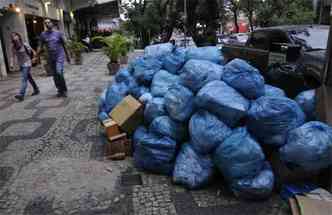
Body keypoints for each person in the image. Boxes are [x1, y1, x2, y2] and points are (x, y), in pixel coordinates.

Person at [35, 19, 70, 97]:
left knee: (59, 72)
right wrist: (36, 56)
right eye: (45, 23)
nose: (47, 24)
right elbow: (40, 46)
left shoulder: (58, 33)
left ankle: (64, 89)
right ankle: (59, 90)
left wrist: (68, 56)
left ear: (52, 24)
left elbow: (64, 45)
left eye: (49, 22)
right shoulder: (43, 34)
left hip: (59, 56)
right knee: (54, 75)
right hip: (50, 58)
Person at [10, 32, 39, 102]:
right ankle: (36, 89)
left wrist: (34, 58)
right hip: (21, 64)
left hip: (27, 63)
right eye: (12, 36)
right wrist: (11, 64)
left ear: (18, 36)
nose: (14, 37)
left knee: (24, 78)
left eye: (15, 36)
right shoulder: (13, 46)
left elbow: (33, 51)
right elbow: (12, 56)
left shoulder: (24, 44)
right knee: (29, 77)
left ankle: (21, 94)